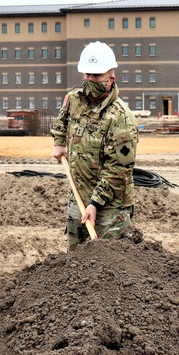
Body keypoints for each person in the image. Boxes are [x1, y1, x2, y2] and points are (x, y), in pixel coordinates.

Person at [51, 41, 139, 251]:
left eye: (97, 76)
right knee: (75, 265)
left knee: (111, 269)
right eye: (87, 75)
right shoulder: (74, 100)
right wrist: (59, 143)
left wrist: (95, 203)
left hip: (109, 209)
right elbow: (61, 121)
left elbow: (118, 171)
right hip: (77, 199)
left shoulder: (121, 119)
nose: (90, 80)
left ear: (110, 78)